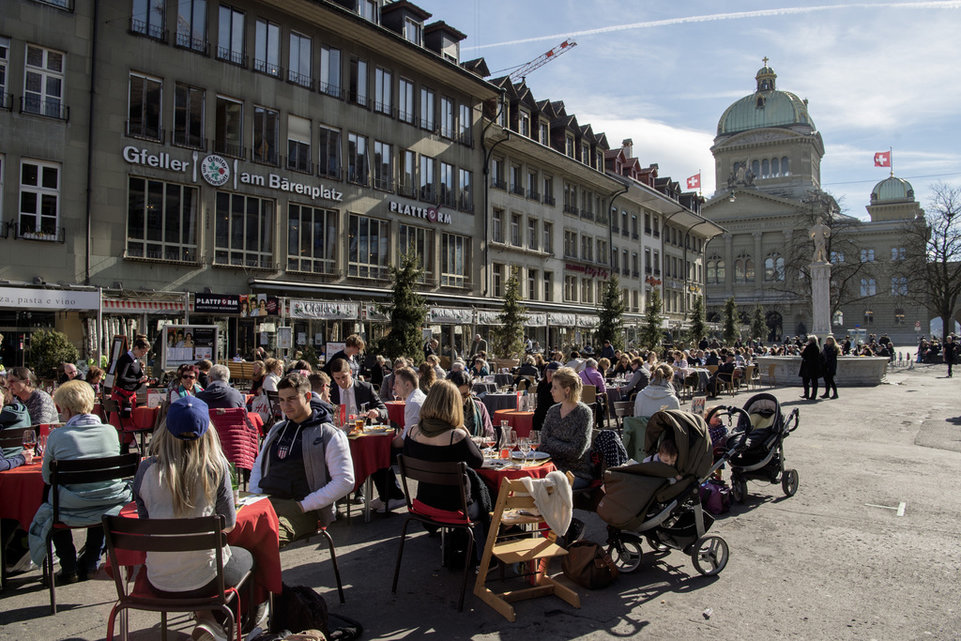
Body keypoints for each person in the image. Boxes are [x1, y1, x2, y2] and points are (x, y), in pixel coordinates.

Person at [133, 396, 256, 641]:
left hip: (159, 577)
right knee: (249, 556)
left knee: (194, 562)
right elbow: (228, 524)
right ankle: (218, 623)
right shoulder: (217, 467)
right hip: (208, 577)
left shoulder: (146, 470)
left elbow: (145, 523)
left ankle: (207, 621)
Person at [28, 380, 132, 584]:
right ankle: (92, 562)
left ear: (65, 409)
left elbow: (47, 477)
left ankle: (68, 565)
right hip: (108, 502)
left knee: (50, 500)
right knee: (98, 492)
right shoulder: (110, 431)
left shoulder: (57, 435)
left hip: (70, 506)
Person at [249, 373, 354, 546]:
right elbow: (259, 466)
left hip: (306, 511)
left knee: (263, 541)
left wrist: (303, 505)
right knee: (233, 533)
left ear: (307, 397)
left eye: (291, 399)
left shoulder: (329, 434)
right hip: (267, 502)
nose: (285, 405)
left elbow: (345, 481)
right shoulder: (277, 429)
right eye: (281, 400)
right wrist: (255, 498)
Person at [539, 367, 594, 489]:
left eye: (555, 388)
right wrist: (561, 446)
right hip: (550, 469)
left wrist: (552, 442)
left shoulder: (584, 413)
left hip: (575, 473)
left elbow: (576, 452)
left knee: (542, 488)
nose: (551, 391)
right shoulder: (553, 411)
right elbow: (542, 445)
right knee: (526, 483)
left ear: (567, 390)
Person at [448, 371, 494, 438]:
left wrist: (475, 440)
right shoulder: (444, 411)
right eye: (456, 395)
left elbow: (491, 436)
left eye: (466, 395)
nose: (461, 399)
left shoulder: (479, 407)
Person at [531, 361, 561, 433]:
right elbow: (538, 398)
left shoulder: (559, 386)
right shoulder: (542, 384)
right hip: (539, 416)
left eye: (554, 371)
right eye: (549, 371)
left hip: (552, 416)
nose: (550, 373)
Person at [799, 335, 822, 400]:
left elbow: (804, 355)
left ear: (811, 341)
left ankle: (806, 394)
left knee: (805, 381)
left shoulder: (809, 347)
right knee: (814, 381)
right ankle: (813, 395)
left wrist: (802, 351)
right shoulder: (817, 347)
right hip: (814, 366)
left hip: (807, 366)